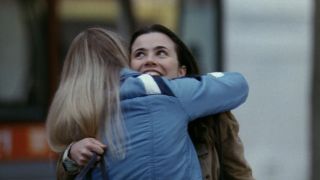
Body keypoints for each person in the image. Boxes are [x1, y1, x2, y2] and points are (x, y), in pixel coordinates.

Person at [46, 27, 249, 180]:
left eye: (161, 53)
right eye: (139, 54)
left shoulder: (214, 116)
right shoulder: (95, 109)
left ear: (182, 72)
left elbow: (238, 174)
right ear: (126, 65)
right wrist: (70, 156)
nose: (149, 60)